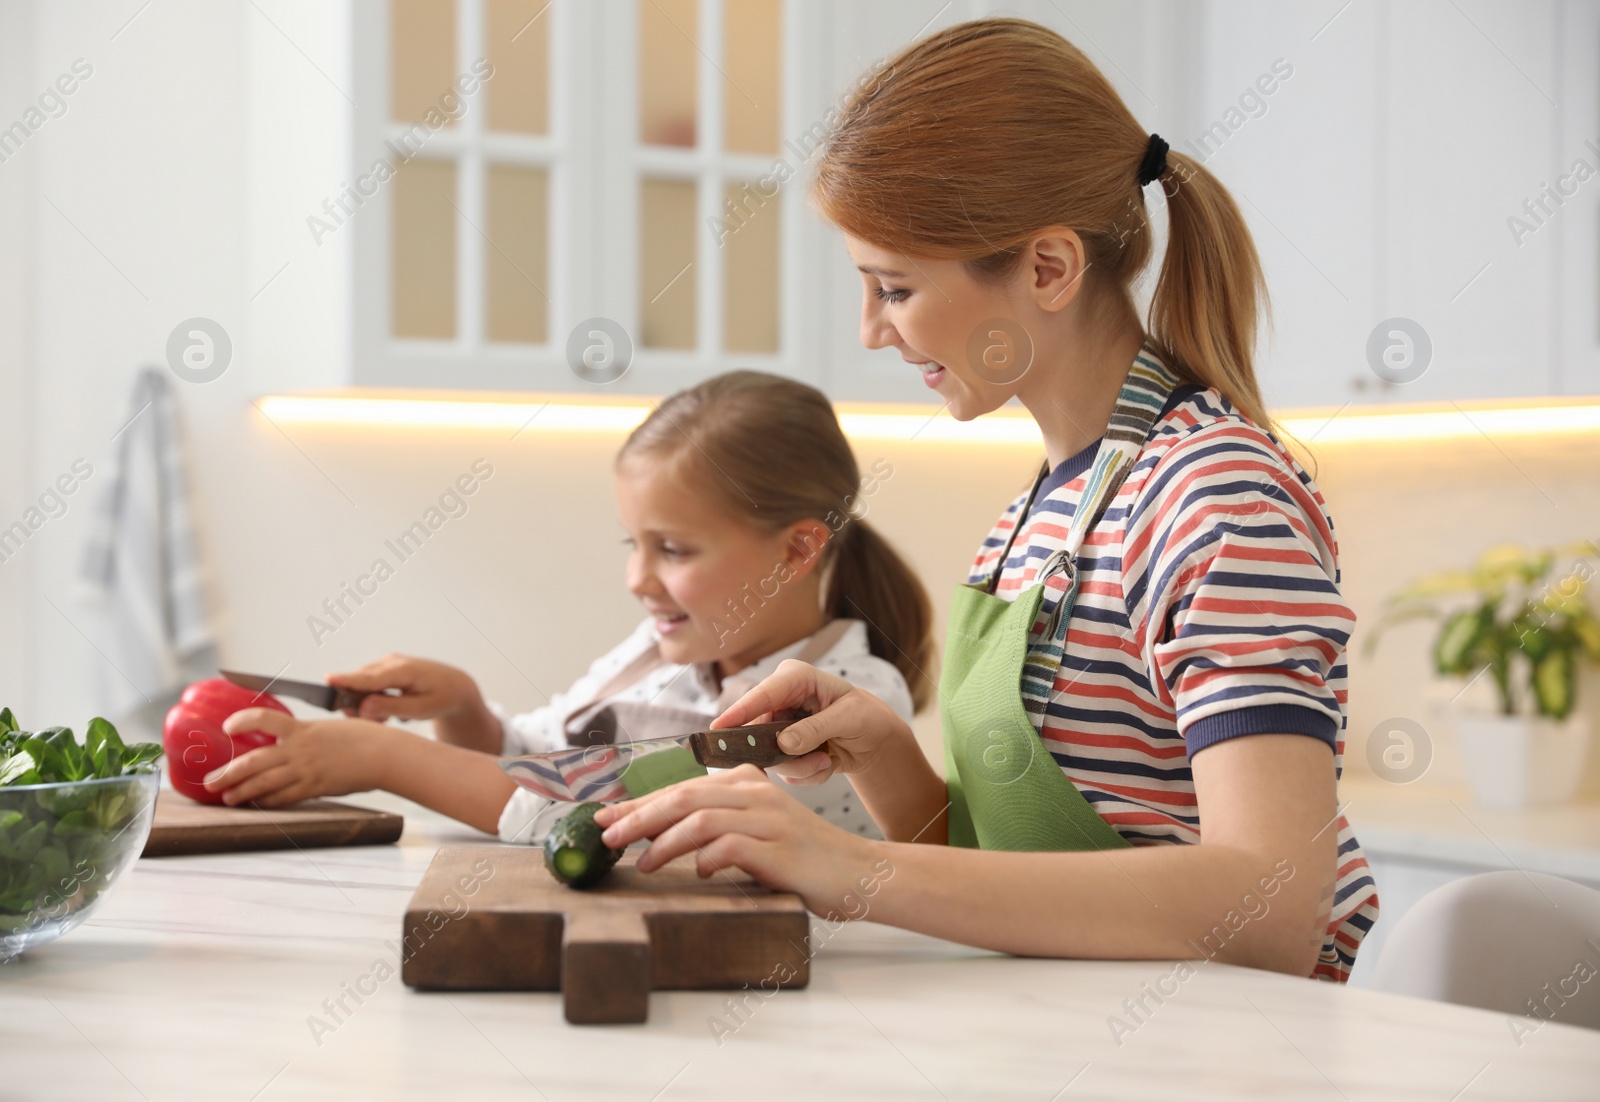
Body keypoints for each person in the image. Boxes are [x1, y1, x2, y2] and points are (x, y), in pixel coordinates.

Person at [595, 18, 1378, 982]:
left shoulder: (1216, 499)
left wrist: (852, 868)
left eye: (894, 288)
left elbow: (1273, 907)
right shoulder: (1035, 515)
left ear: (1047, 269)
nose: (874, 331)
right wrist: (882, 754)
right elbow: (1015, 881)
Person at [205, 371, 932, 844]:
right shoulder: (662, 653)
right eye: (634, 543)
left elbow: (590, 819)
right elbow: (544, 762)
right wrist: (463, 709)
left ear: (797, 550)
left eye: (673, 550)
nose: (637, 578)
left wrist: (385, 756)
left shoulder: (842, 708)